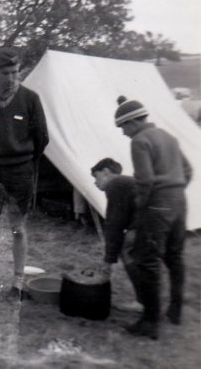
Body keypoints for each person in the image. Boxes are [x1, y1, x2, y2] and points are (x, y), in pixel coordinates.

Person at [114, 96, 192, 339]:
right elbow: (188, 170)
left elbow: (145, 181)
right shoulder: (168, 137)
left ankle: (150, 320)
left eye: (122, 127)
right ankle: (175, 310)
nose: (123, 133)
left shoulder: (140, 140)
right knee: (175, 257)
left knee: (147, 261)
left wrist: (140, 209)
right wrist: (174, 188)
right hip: (179, 202)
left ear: (132, 122)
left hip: (157, 206)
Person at [0, 47, 49, 298]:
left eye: (15, 72)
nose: (11, 77)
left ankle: (17, 283)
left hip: (20, 172)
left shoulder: (31, 99)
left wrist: (23, 159)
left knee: (17, 228)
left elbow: (41, 138)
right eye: (5, 73)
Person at [91, 158, 142, 312]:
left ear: (106, 172)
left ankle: (143, 302)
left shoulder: (116, 184)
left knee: (128, 251)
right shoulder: (126, 182)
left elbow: (114, 225)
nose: (95, 183)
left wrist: (108, 261)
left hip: (147, 222)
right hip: (165, 218)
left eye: (96, 177)